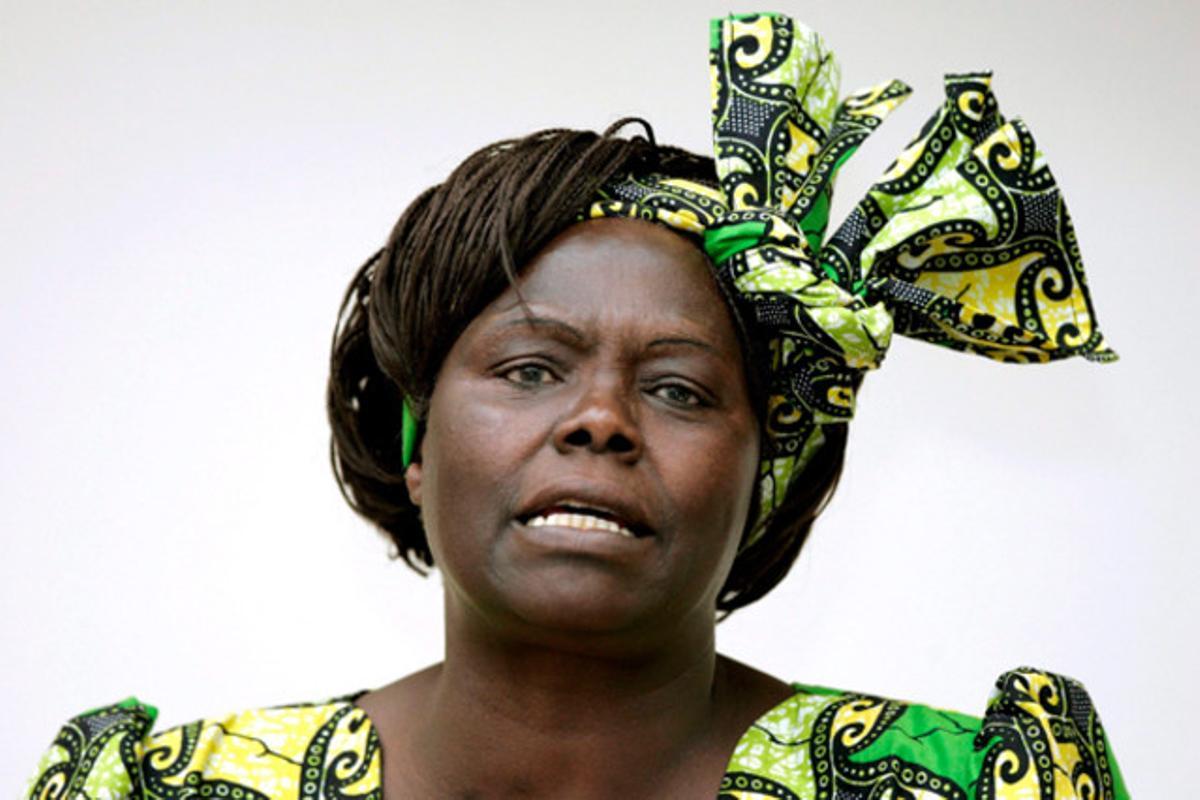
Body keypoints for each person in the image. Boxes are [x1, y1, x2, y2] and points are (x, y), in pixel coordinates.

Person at [24, 12, 1129, 799]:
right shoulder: (154, 787)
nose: (600, 418)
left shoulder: (988, 785)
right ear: (417, 443)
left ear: (767, 475)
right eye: (530, 367)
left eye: (680, 388)